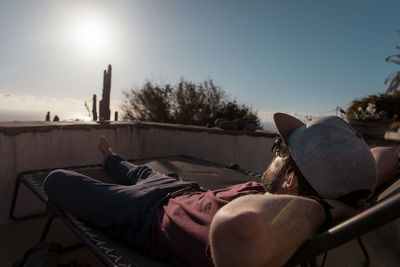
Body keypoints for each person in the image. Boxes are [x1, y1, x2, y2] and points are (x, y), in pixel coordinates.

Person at [44, 113, 380, 267]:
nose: (275, 153)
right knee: (136, 170)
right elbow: (385, 157)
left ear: (291, 181)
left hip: (143, 215)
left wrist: (325, 208)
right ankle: (112, 157)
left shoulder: (264, 228)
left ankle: (114, 160)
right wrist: (346, 199)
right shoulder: (278, 196)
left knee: (56, 179)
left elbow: (238, 231)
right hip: (179, 190)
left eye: (280, 149)